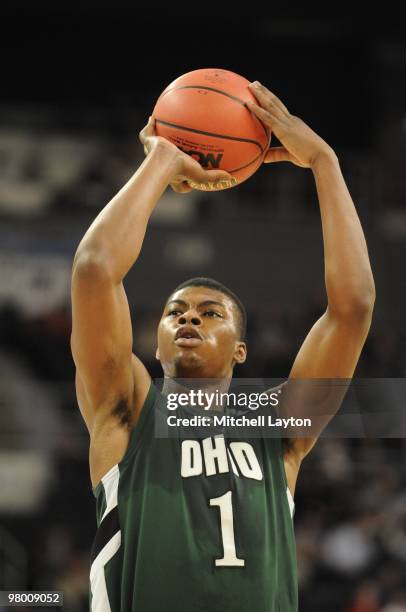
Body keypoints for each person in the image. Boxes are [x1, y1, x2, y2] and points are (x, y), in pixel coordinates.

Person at [70, 80, 375, 612]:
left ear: (240, 350)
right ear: (157, 341)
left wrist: (325, 162)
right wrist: (162, 161)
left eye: (211, 314)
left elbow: (353, 309)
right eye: (175, 313)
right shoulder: (127, 408)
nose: (189, 316)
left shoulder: (277, 426)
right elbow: (95, 270)